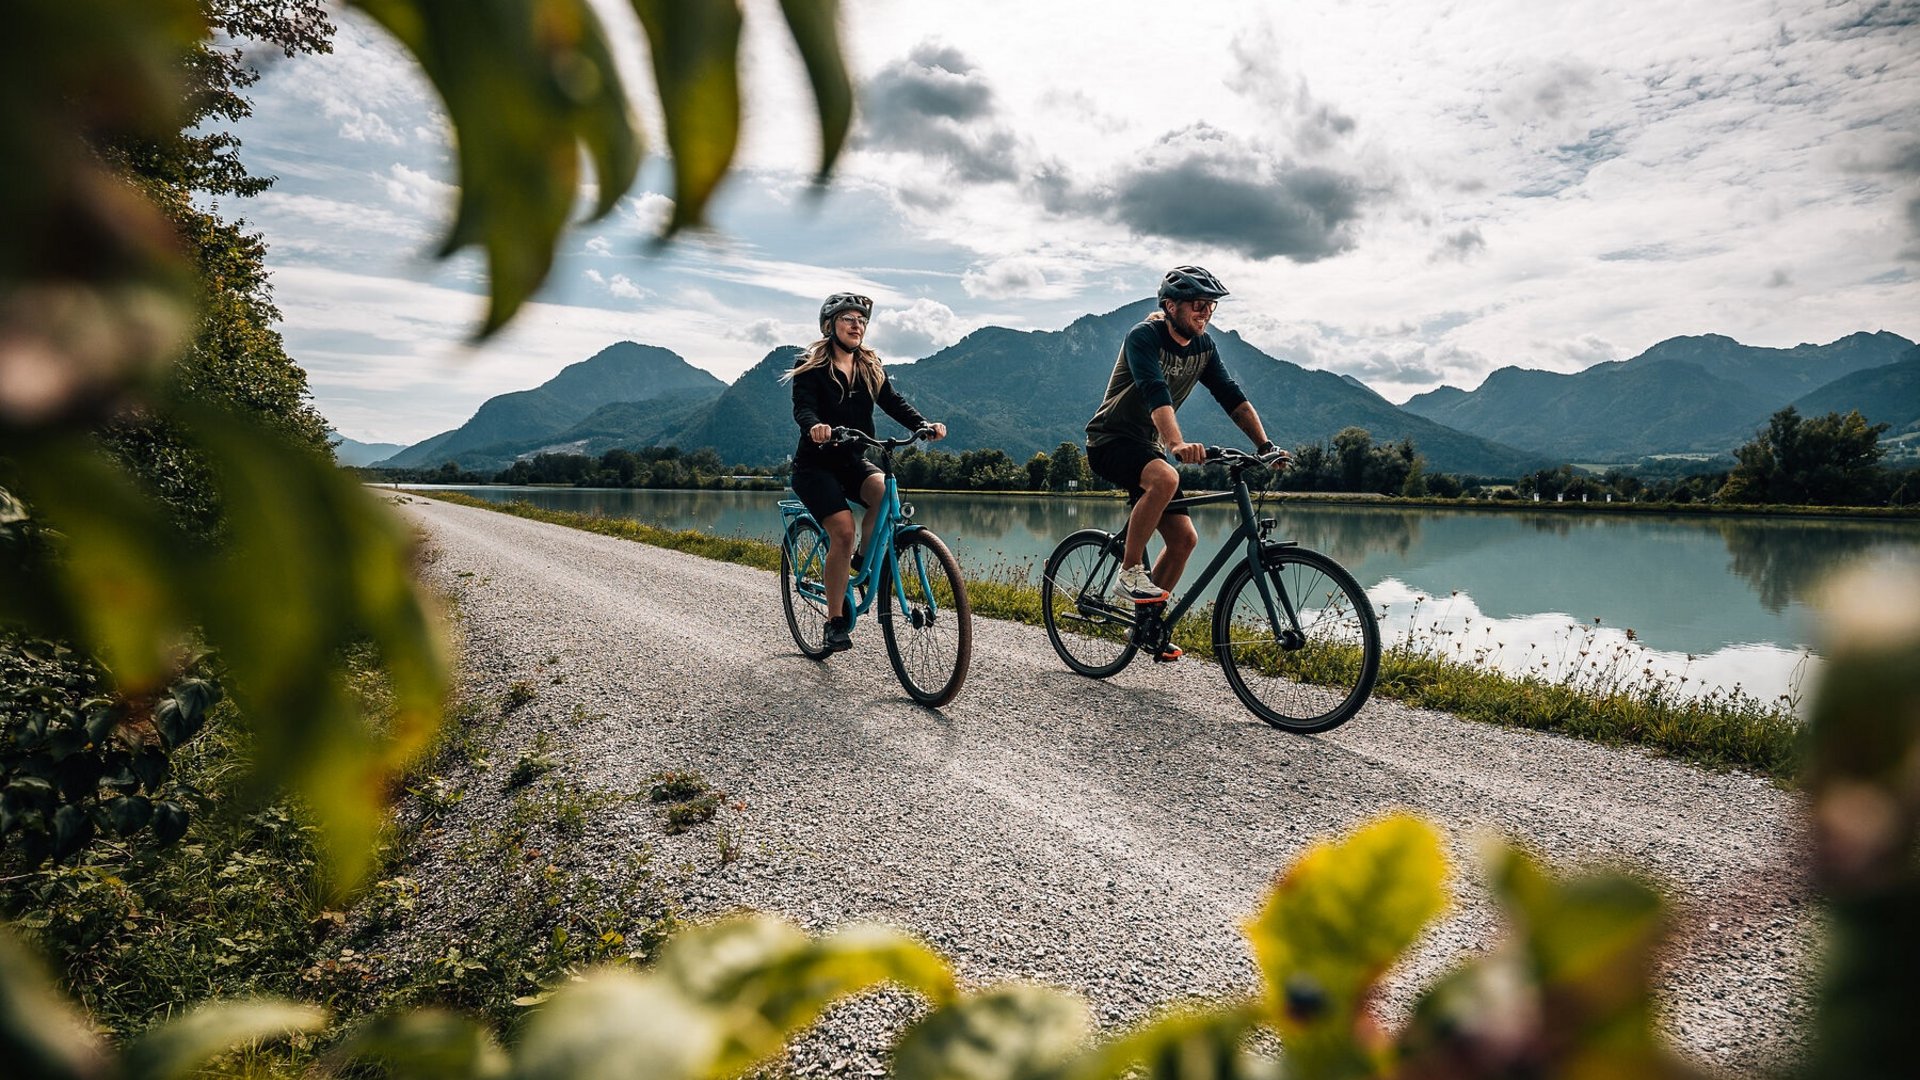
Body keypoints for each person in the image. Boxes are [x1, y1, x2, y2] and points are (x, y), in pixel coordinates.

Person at [1084, 265, 1288, 660]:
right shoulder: (1144, 336)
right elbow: (1153, 390)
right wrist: (1176, 443)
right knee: (1164, 478)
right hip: (1110, 440)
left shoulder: (1204, 348)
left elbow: (1231, 395)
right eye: (1198, 305)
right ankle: (1129, 574)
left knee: (1184, 539)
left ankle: (1148, 627)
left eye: (1211, 307)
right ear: (1170, 304)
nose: (1205, 313)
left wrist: (1264, 446)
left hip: (1148, 447)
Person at [785, 293, 947, 653]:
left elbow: (893, 402)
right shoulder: (811, 366)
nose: (857, 325)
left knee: (885, 493)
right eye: (848, 319)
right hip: (816, 465)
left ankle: (860, 563)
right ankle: (835, 621)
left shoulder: (870, 367)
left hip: (852, 460)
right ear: (830, 326)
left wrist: (923, 424)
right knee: (843, 530)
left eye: (861, 320)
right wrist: (816, 426)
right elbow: (803, 409)